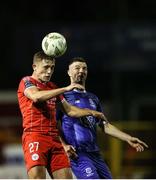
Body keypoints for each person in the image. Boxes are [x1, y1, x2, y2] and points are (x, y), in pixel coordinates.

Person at [17, 51, 106, 179]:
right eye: (46, 67)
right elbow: (36, 97)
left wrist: (93, 112)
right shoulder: (27, 81)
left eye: (52, 67)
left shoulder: (52, 87)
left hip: (54, 139)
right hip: (35, 136)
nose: (49, 71)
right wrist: (65, 89)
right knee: (37, 177)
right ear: (34, 67)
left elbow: (70, 110)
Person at [57, 57, 149, 179]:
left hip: (95, 153)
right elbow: (52, 125)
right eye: (77, 68)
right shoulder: (63, 97)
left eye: (84, 68)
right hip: (78, 153)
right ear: (68, 72)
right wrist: (64, 145)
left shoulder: (93, 98)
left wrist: (128, 138)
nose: (81, 71)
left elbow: (104, 125)